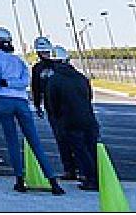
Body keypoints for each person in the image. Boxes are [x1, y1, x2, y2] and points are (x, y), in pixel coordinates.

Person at [0, 34, 66, 195]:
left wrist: (5, 82)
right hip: (21, 100)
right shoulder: (19, 60)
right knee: (35, 141)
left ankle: (19, 180)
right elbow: (24, 83)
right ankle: (53, 181)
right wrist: (14, 83)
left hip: (3, 100)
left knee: (12, 141)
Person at [43, 52, 101, 192]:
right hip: (88, 117)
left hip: (69, 119)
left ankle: (90, 179)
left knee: (80, 150)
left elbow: (52, 103)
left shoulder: (54, 80)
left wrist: (58, 117)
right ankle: (98, 176)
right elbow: (89, 96)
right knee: (92, 148)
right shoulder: (81, 77)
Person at [28, 41, 76, 179]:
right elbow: (36, 88)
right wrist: (37, 104)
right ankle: (71, 169)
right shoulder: (45, 68)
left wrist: (37, 104)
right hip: (57, 107)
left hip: (59, 107)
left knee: (66, 138)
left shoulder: (43, 68)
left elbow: (36, 88)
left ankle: (72, 169)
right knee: (65, 139)